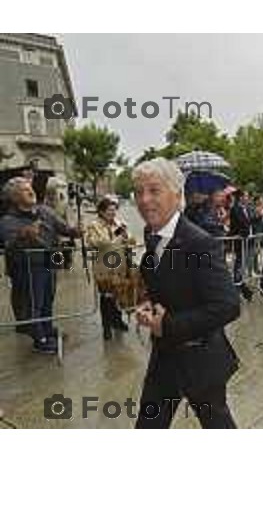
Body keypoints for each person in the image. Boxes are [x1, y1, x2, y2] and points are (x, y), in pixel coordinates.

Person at [132, 158, 240, 429]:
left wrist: (166, 325)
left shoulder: (200, 243)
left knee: (218, 425)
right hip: (164, 358)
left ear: (177, 194)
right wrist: (147, 302)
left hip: (200, 360)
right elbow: (164, 282)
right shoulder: (150, 233)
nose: (144, 200)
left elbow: (228, 306)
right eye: (138, 192)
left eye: (154, 190)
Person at [0, 177, 81, 354]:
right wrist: (23, 235)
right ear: (14, 198)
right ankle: (40, 340)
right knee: (33, 303)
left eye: (30, 187)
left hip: (49, 262)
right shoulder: (8, 221)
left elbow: (64, 228)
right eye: (24, 190)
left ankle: (46, 327)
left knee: (47, 300)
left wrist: (75, 231)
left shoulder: (45, 211)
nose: (31, 191)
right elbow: (9, 247)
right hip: (28, 269)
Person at [85, 197, 132, 340]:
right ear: (101, 211)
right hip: (103, 266)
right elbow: (96, 242)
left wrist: (126, 236)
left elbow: (131, 239)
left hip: (120, 265)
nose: (113, 213)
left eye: (114, 210)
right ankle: (106, 326)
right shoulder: (94, 225)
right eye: (109, 210)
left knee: (118, 294)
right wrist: (116, 237)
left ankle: (117, 321)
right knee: (106, 297)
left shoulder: (118, 223)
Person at [229, 190, 254, 301]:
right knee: (238, 267)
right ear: (240, 198)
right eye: (246, 196)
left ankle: (242, 289)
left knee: (241, 267)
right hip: (239, 242)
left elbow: (248, 223)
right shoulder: (235, 209)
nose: (247, 198)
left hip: (246, 241)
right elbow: (241, 224)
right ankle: (238, 290)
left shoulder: (246, 209)